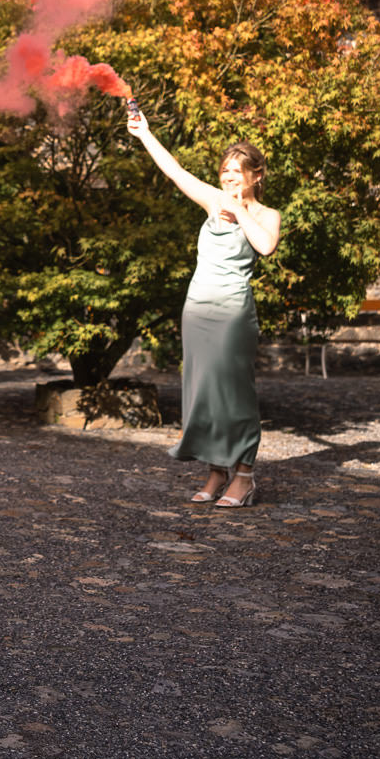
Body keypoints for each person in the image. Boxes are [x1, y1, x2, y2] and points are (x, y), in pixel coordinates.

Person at [128, 110, 280, 507]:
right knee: (202, 391)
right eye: (225, 170)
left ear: (256, 176)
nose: (228, 177)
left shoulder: (266, 215)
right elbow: (175, 171)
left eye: (237, 171)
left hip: (232, 312)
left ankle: (244, 476)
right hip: (197, 307)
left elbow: (265, 246)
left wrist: (241, 210)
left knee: (233, 391)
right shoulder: (211, 200)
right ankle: (216, 472)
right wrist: (145, 133)